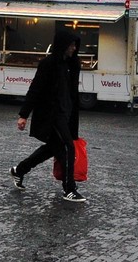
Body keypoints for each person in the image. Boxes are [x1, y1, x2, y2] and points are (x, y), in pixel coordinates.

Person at [10, 28, 86, 202]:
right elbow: (35, 89)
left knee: (52, 149)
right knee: (67, 147)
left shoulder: (72, 64)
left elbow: (72, 92)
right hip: (51, 115)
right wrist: (24, 115)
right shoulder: (48, 64)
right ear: (63, 45)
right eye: (71, 45)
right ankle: (69, 189)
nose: (74, 48)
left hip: (65, 114)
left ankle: (19, 170)